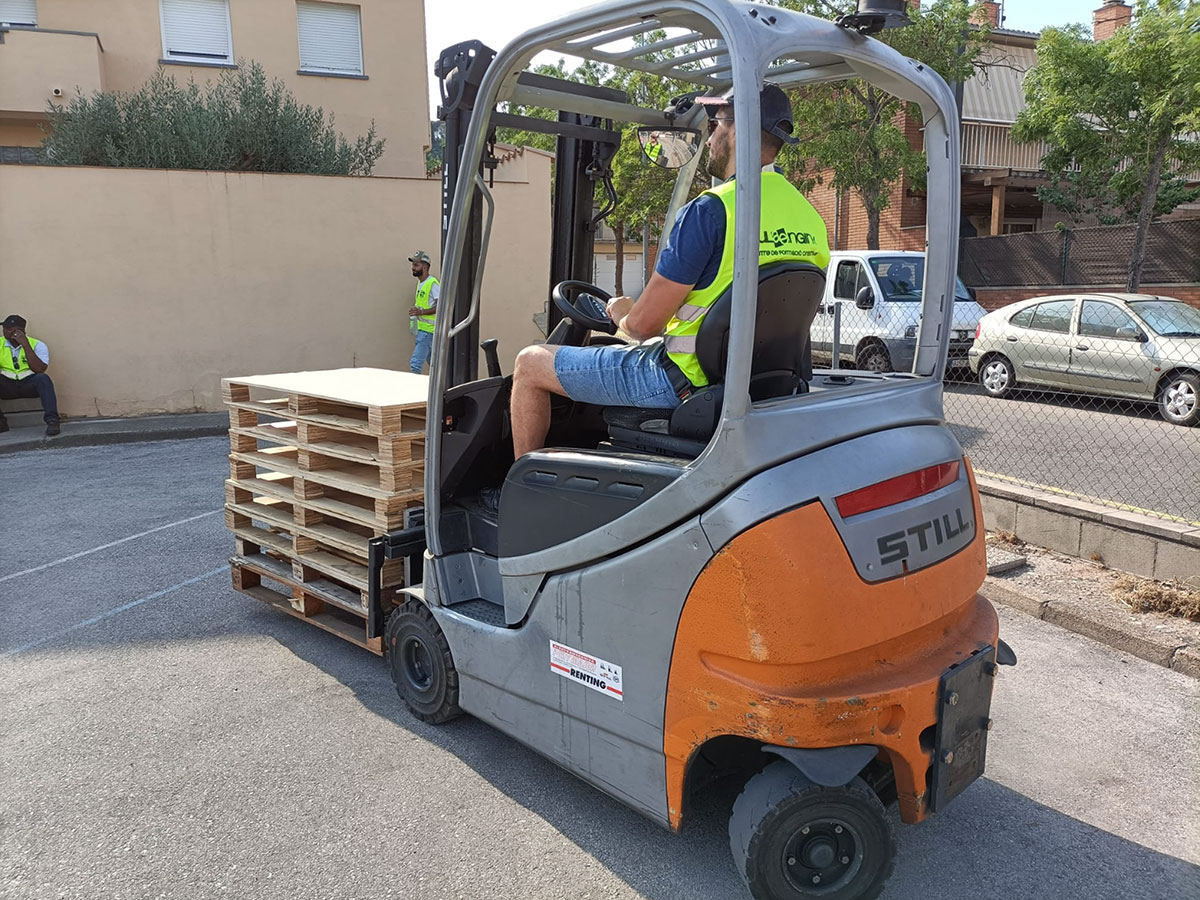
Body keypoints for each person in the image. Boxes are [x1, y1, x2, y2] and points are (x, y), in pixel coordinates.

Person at [509, 83, 831, 458]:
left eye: (714, 125)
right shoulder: (809, 216)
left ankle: (519, 483)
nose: (709, 138)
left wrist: (621, 314)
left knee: (530, 363)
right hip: (756, 383)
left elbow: (644, 326)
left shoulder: (711, 210)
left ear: (735, 129)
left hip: (681, 381)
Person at [0, 314, 60, 436]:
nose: (5, 332)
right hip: (7, 386)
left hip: (28, 384)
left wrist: (25, 345)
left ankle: (52, 421)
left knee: (43, 379)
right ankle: (1, 423)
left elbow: (39, 369)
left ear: (21, 331)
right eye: (5, 329)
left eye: (9, 329)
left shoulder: (37, 345)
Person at [407, 250, 440, 374]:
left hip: (428, 332)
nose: (413, 268)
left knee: (415, 364)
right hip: (424, 330)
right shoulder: (421, 283)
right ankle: (444, 384)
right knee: (434, 365)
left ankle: (413, 387)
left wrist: (421, 312)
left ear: (425, 267)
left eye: (416, 265)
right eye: (413, 265)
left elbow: (441, 306)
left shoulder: (432, 283)